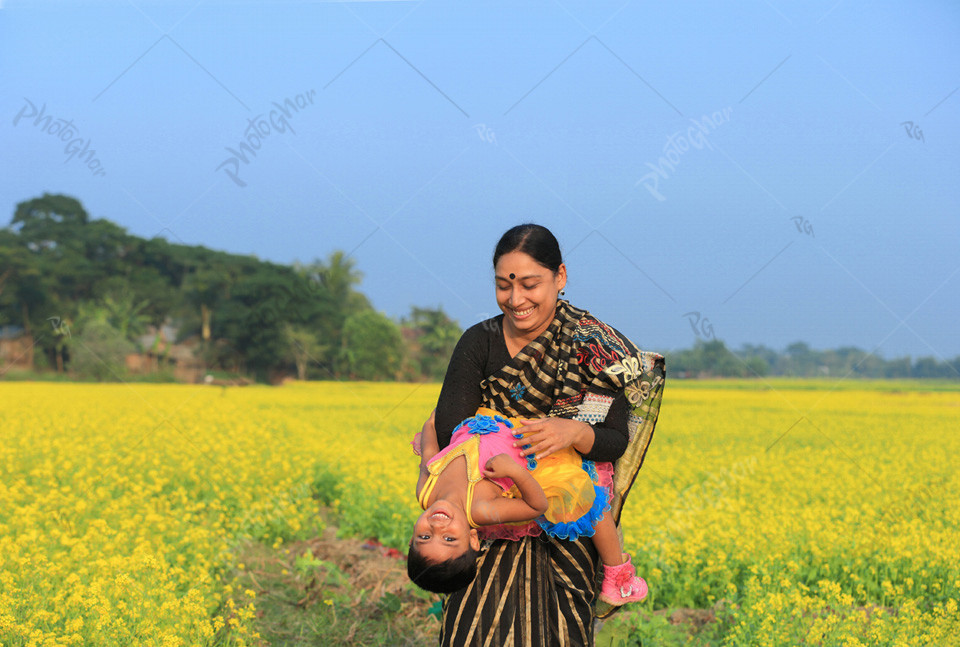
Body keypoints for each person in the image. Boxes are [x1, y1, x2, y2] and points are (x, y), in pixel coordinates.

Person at [417, 223, 666, 646]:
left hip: (564, 517)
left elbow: (614, 441)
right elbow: (450, 430)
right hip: (487, 519)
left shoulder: (594, 349)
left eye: (530, 284)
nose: (516, 300)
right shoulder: (480, 341)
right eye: (503, 286)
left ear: (560, 277)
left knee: (558, 632)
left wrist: (571, 432)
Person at [408, 405, 647, 606]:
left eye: (424, 537)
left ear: (412, 537)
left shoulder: (425, 493)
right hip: (531, 463)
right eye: (449, 539)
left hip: (492, 426)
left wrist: (432, 421)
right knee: (590, 502)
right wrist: (514, 472)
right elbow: (536, 507)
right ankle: (617, 575)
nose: (437, 528)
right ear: (472, 539)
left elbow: (428, 456)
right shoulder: (479, 509)